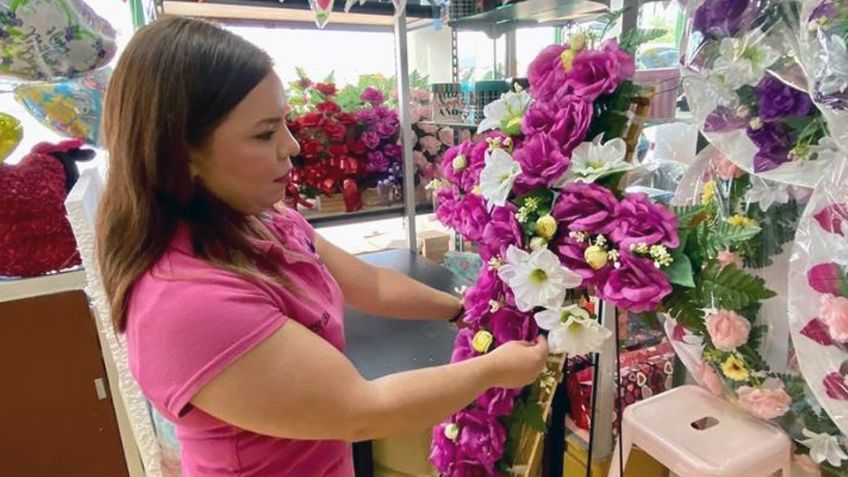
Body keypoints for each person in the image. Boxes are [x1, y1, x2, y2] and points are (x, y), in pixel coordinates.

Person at [96, 16, 548, 477]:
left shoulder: (266, 221)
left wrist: (460, 310)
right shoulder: (186, 301)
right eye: (264, 133)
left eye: (285, 125)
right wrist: (492, 370)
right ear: (182, 153)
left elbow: (370, 284)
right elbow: (362, 410)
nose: (290, 146)